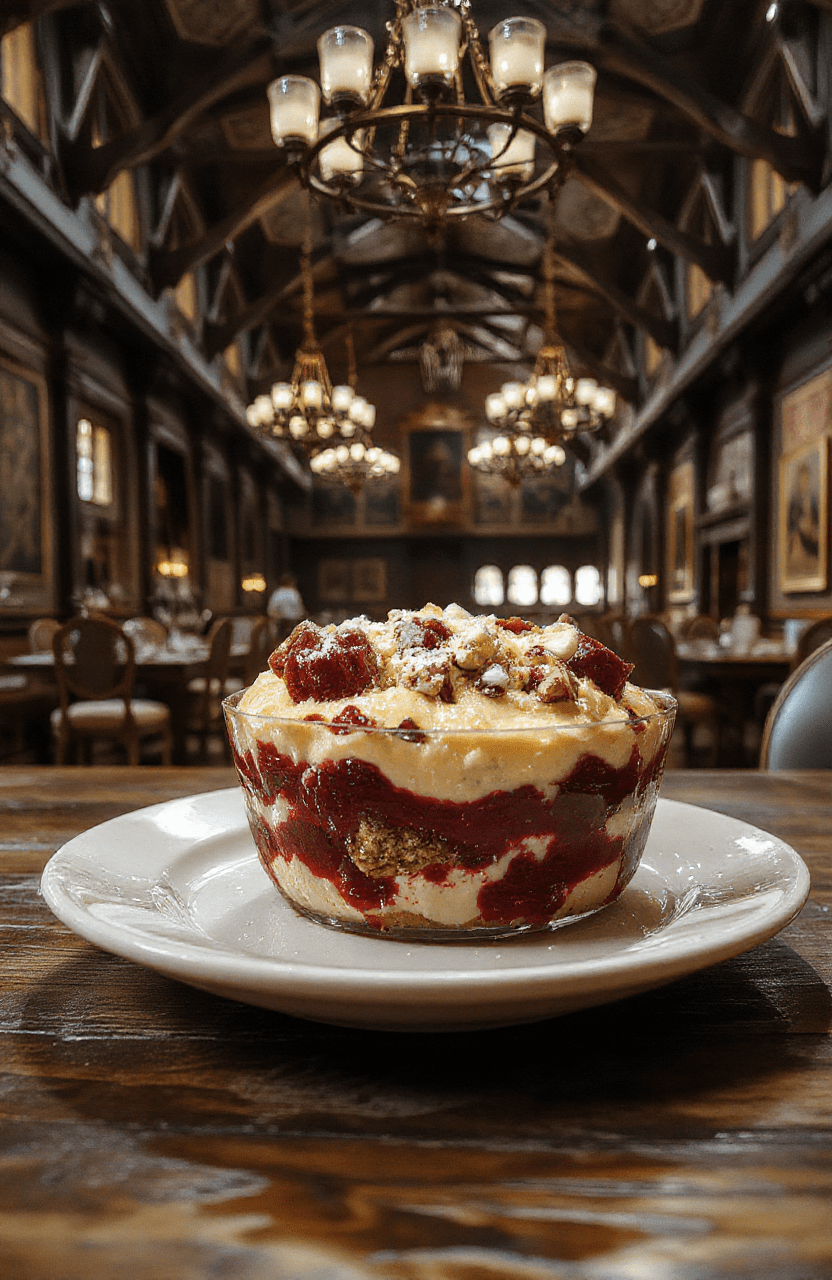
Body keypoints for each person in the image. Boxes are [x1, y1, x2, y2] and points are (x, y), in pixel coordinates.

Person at [267, 574, 306, 641]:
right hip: (291, 622)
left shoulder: (277, 593)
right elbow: (299, 609)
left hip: (280, 621)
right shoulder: (294, 593)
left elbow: (271, 609)